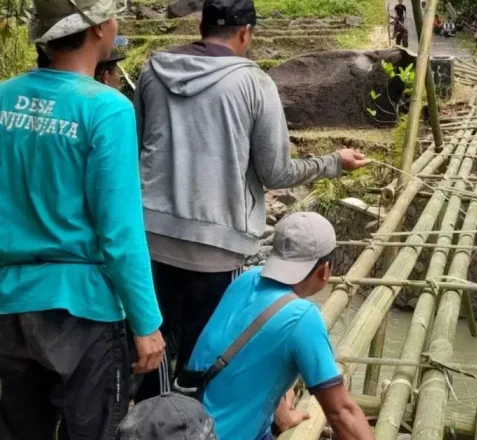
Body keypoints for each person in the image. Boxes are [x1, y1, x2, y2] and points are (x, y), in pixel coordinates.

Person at [133, 0, 369, 401]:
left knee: (152, 350)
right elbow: (276, 173)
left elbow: (136, 150)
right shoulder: (255, 84)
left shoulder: (152, 73)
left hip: (149, 238)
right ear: (245, 33)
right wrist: (334, 162)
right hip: (217, 248)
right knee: (202, 360)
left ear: (201, 25)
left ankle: (150, 422)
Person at [0, 0, 165, 438]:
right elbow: (120, 231)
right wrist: (146, 323)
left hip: (11, 305)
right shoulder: (106, 108)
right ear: (98, 27)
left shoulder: (3, 97)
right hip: (83, 310)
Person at [182, 212, 373, 440]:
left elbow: (253, 357)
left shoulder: (247, 279)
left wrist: (279, 411)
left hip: (186, 425)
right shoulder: (302, 317)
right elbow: (341, 413)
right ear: (325, 269)